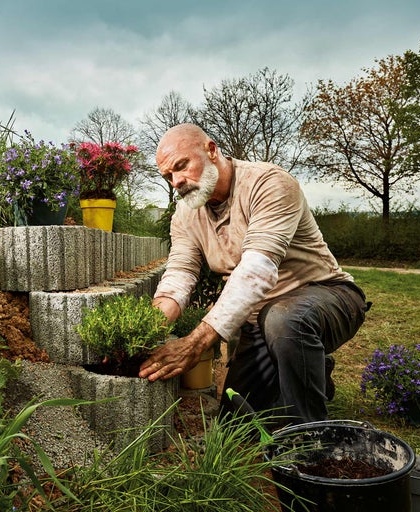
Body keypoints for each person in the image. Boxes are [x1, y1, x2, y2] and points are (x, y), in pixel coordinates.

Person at [138, 123, 370, 424]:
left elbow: (256, 272)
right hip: (261, 317)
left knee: (285, 321)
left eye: (182, 166)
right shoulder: (185, 214)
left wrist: (196, 343)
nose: (177, 182)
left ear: (211, 150)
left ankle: (311, 439)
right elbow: (179, 277)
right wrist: (142, 333)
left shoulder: (268, 183)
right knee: (235, 424)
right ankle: (310, 371)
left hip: (327, 296)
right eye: (168, 176)